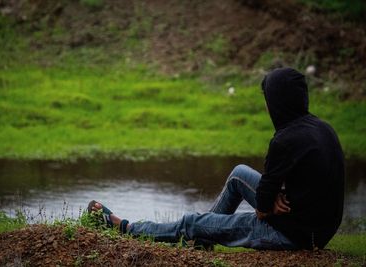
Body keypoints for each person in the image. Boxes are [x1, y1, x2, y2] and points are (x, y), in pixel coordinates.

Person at [88, 67, 345, 250]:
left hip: (292, 234)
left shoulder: (285, 139)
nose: (267, 106)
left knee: (192, 222)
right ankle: (204, 239)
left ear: (277, 101)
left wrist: (269, 202)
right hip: (317, 228)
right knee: (239, 174)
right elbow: (304, 182)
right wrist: (275, 196)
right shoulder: (322, 128)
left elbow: (264, 207)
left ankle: (125, 228)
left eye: (267, 99)